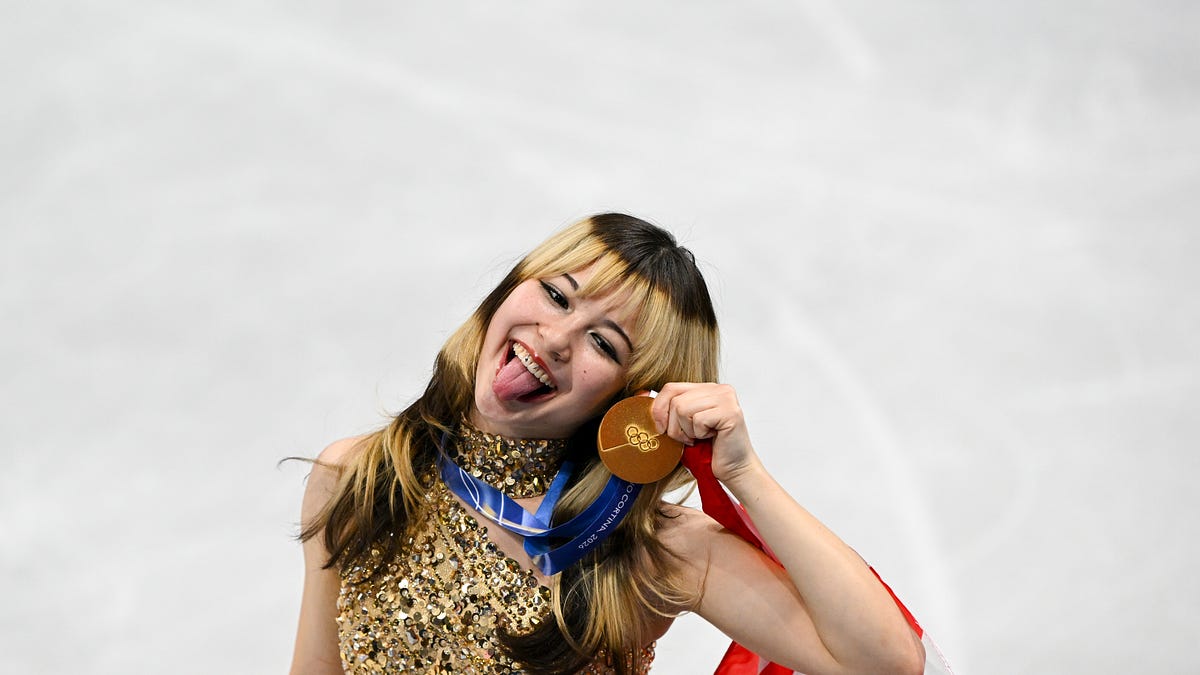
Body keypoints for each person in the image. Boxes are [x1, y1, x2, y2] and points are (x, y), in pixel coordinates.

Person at [289, 213, 926, 674]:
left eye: (604, 343)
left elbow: (885, 664)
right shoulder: (360, 473)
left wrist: (745, 475)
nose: (556, 336)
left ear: (634, 398)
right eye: (556, 293)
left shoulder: (652, 548)